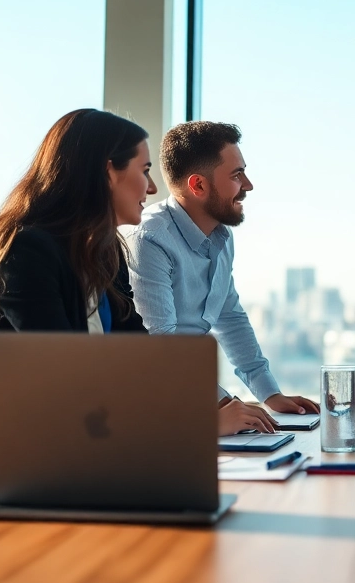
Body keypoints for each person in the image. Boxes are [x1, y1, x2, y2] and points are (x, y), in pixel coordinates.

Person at [0, 110, 274, 463]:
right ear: (107, 174)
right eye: (144, 171)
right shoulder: (28, 252)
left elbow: (140, 361)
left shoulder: (105, 254)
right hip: (11, 457)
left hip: (79, 452)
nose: (152, 188)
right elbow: (69, 385)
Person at [125, 121, 318, 420]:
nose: (249, 185)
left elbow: (230, 317)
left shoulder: (220, 237)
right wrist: (224, 405)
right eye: (236, 175)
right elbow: (162, 344)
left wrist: (270, 394)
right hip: (156, 406)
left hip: (193, 398)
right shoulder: (150, 239)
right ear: (198, 185)